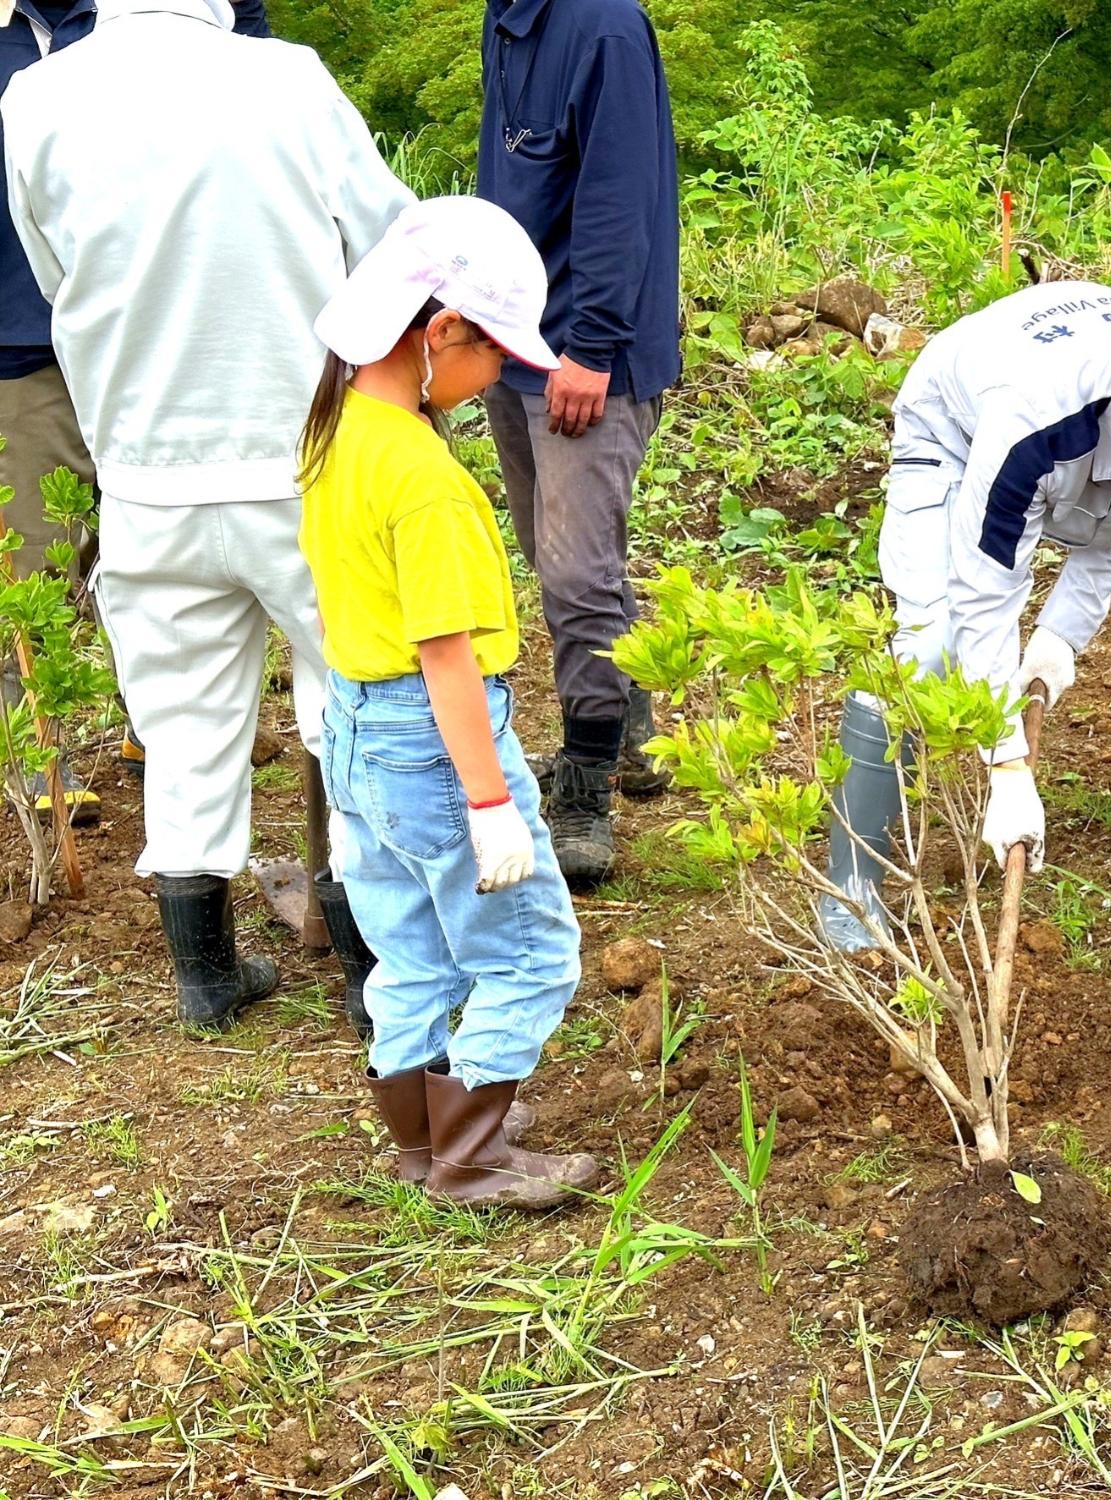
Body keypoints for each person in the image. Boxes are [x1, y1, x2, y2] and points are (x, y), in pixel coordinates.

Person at [3, 0, 411, 1029]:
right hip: (302, 460)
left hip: (142, 466)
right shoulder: (288, 79)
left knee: (182, 725)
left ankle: (207, 977)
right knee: (355, 704)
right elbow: (392, 241)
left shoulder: (35, 99)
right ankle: (375, 977)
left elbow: (55, 276)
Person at [817, 280, 1111, 953]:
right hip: (955, 434)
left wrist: (1057, 639)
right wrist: (1007, 763)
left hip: (1090, 431)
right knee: (935, 645)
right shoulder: (1031, 423)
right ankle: (852, 884)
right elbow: (986, 593)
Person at [300, 195, 598, 1210]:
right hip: (433, 746)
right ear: (441, 334)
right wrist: (488, 803)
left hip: (356, 731)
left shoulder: (338, 431)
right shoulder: (423, 477)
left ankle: (423, 1139)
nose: (499, 379)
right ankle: (472, 1157)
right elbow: (446, 660)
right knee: (531, 948)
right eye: (496, 357)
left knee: (412, 948)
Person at [0, 0, 266, 816]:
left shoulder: (153, 20)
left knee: (152, 543)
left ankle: (160, 729)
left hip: (152, 332)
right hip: (24, 340)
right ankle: (37, 761)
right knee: (36, 559)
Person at [477, 0, 679, 890]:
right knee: (556, 560)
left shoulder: (603, 27)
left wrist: (591, 345)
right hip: (517, 343)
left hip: (587, 354)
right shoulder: (506, 18)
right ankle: (632, 715)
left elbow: (618, 194)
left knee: (575, 577)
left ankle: (587, 782)